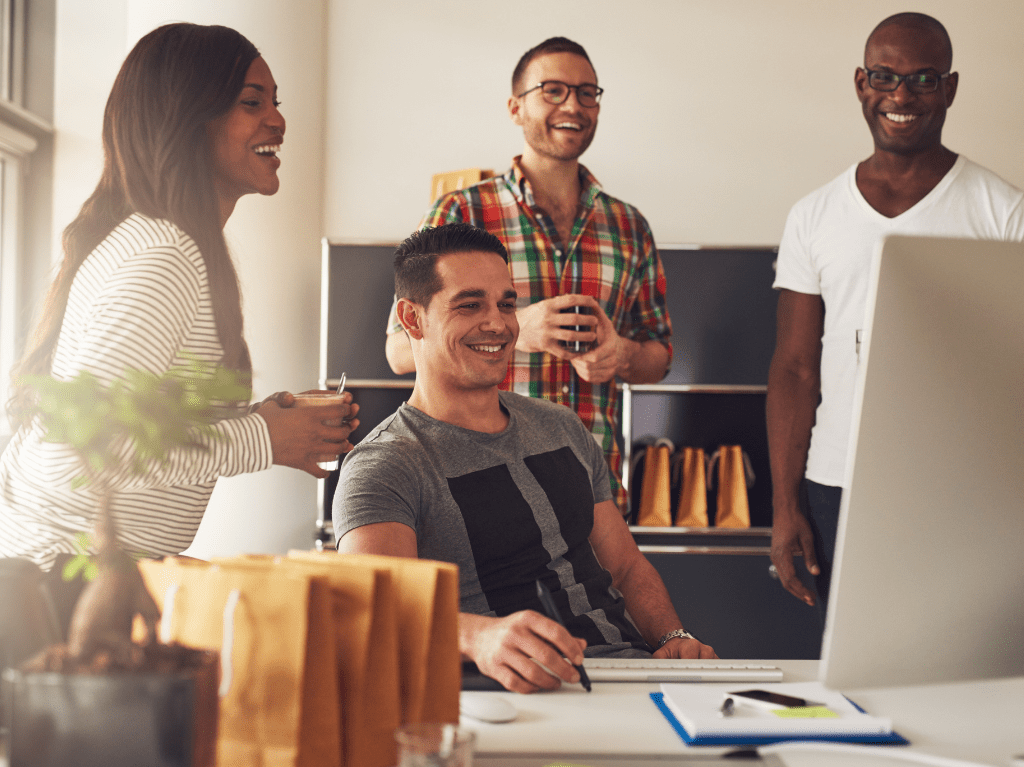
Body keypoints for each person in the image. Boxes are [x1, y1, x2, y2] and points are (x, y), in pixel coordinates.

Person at [0, 23, 359, 576]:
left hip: (81, 573)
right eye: (250, 102)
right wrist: (263, 437)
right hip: (60, 582)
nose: (278, 121)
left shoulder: (166, 242)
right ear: (186, 120)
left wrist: (269, 424)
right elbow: (81, 449)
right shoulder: (163, 254)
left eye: (274, 101)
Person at [336, 223, 714, 695]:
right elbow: (373, 608)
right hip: (513, 692)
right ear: (412, 319)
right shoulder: (384, 465)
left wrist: (673, 639)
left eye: (507, 304)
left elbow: (626, 567)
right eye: (470, 305)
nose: (498, 323)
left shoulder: (561, 426)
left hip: (631, 678)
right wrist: (477, 637)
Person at [767, 12, 1024, 611]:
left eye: (923, 79)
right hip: (837, 487)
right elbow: (795, 369)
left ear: (950, 89)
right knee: (851, 685)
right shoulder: (815, 214)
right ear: (862, 83)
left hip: (962, 491)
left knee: (957, 681)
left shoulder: (1003, 214)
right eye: (885, 76)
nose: (901, 95)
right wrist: (784, 508)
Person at [384, 37, 671, 513]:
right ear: (516, 108)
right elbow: (398, 351)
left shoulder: (629, 225)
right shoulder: (460, 211)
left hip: (593, 493)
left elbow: (659, 356)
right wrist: (518, 329)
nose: (573, 105)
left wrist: (620, 354)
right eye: (553, 90)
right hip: (481, 487)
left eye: (586, 93)